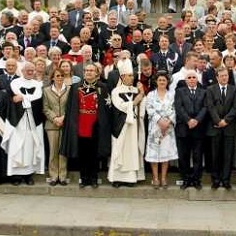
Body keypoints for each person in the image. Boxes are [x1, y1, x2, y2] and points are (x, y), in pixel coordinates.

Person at [60, 63, 112, 188]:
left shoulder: (102, 87)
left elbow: (107, 107)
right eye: (86, 70)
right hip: (81, 124)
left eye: (91, 70)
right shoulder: (76, 87)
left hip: (96, 124)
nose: (88, 72)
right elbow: (71, 107)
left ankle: (94, 178)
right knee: (83, 152)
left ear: (96, 73)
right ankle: (83, 178)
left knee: (94, 153)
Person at [2, 62, 45, 185]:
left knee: (31, 147)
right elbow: (12, 97)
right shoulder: (15, 83)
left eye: (32, 70)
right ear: (22, 71)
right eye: (28, 70)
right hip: (18, 120)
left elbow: (37, 98)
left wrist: (23, 98)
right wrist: (17, 98)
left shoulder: (38, 84)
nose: (30, 72)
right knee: (17, 146)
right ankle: (16, 176)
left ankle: (28, 175)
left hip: (33, 120)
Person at [108, 59, 146, 187]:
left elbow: (142, 107)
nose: (132, 77)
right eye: (129, 75)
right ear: (122, 76)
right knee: (120, 150)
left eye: (132, 75)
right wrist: (135, 101)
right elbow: (121, 106)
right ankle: (117, 178)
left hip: (134, 125)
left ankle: (130, 179)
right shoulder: (115, 91)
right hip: (122, 125)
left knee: (132, 151)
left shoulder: (136, 90)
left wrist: (142, 93)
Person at [205, 66, 236, 190]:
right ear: (217, 77)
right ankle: (216, 179)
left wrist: (226, 121)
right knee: (215, 155)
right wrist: (218, 121)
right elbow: (210, 107)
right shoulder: (210, 89)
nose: (224, 78)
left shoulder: (234, 90)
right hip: (215, 127)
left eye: (226, 76)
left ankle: (226, 180)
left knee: (228, 155)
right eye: (222, 76)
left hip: (228, 127)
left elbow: (235, 108)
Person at [175, 70, 208, 190]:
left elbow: (205, 107)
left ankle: (196, 179)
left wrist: (197, 120)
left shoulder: (204, 92)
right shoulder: (179, 92)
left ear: (197, 79)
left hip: (198, 128)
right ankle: (185, 179)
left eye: (194, 77)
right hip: (184, 127)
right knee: (183, 156)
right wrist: (188, 120)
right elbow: (179, 107)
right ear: (185, 80)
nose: (192, 79)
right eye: (189, 77)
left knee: (197, 156)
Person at [145, 71, 177, 189]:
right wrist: (159, 121)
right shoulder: (151, 95)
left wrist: (168, 122)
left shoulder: (172, 94)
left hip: (168, 129)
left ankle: (163, 178)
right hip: (155, 127)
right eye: (160, 80)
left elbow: (175, 109)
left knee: (165, 153)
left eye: (164, 80)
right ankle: (155, 178)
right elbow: (149, 109)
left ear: (167, 81)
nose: (162, 82)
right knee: (154, 153)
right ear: (156, 82)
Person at [43, 67, 70, 186]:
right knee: (53, 151)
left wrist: (63, 117)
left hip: (65, 124)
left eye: (61, 76)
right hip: (51, 125)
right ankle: (54, 176)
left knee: (63, 151)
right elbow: (45, 108)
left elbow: (70, 107)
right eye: (57, 76)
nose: (59, 78)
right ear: (53, 77)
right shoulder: (46, 90)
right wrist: (54, 118)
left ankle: (62, 176)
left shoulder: (69, 90)